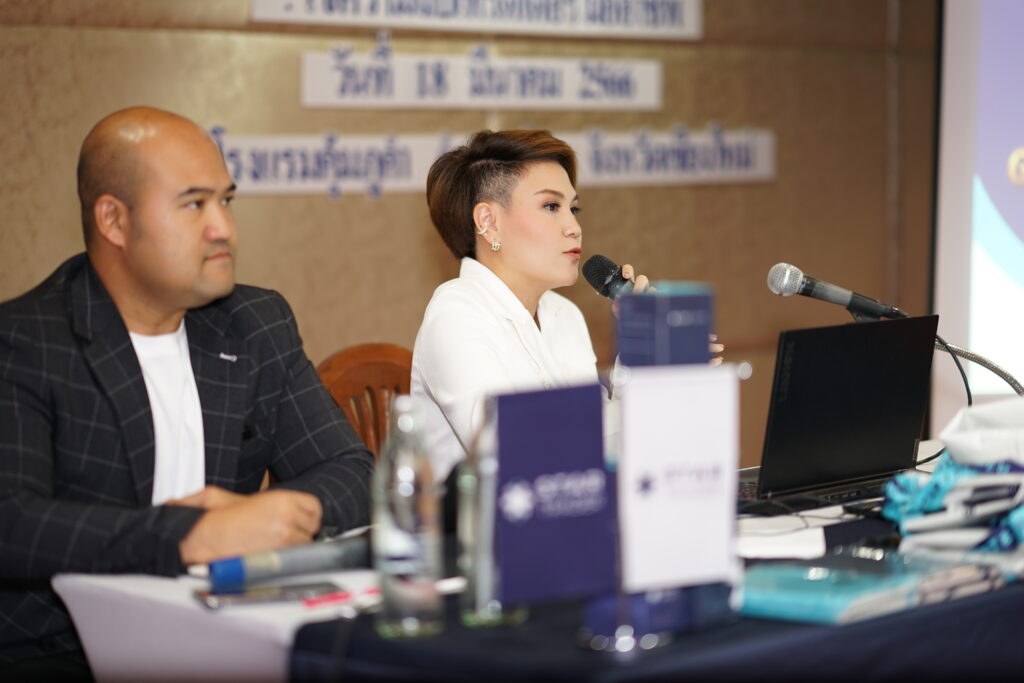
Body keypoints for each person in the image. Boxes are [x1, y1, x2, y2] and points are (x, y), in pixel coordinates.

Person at [0, 107, 373, 676]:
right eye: (194, 204)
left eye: (226, 200)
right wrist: (193, 535)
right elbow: (12, 522)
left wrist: (280, 514)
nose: (224, 227)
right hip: (60, 655)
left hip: (226, 635)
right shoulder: (26, 340)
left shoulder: (255, 324)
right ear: (114, 221)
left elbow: (351, 470)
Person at [411, 129, 650, 482]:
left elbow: (604, 447)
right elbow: (515, 454)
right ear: (488, 223)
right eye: (551, 207)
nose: (574, 227)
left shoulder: (564, 315)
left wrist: (645, 355)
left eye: (574, 208)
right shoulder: (455, 316)